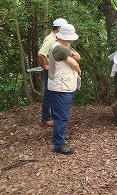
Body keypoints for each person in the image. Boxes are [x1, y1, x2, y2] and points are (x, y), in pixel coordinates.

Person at [48, 23, 81, 155]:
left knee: (60, 115)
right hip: (60, 87)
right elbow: (75, 62)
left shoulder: (63, 46)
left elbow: (77, 56)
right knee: (61, 116)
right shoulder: (60, 49)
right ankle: (59, 145)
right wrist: (78, 70)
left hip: (62, 86)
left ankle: (60, 136)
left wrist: (71, 54)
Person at [38, 18, 68, 127]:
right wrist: (44, 65)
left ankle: (53, 116)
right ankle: (46, 118)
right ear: (59, 28)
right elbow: (41, 54)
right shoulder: (50, 39)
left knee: (53, 92)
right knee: (49, 92)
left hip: (56, 69)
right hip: (50, 70)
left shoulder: (57, 38)